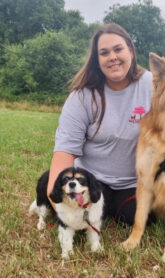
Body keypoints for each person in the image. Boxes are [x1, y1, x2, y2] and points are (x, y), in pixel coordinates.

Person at [47, 23, 153, 225]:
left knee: (143, 219)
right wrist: (60, 208)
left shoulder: (153, 84)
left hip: (134, 184)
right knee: (79, 218)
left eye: (118, 49)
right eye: (104, 53)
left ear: (130, 50)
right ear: (97, 60)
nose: (112, 57)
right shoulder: (81, 96)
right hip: (92, 181)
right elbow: (64, 153)